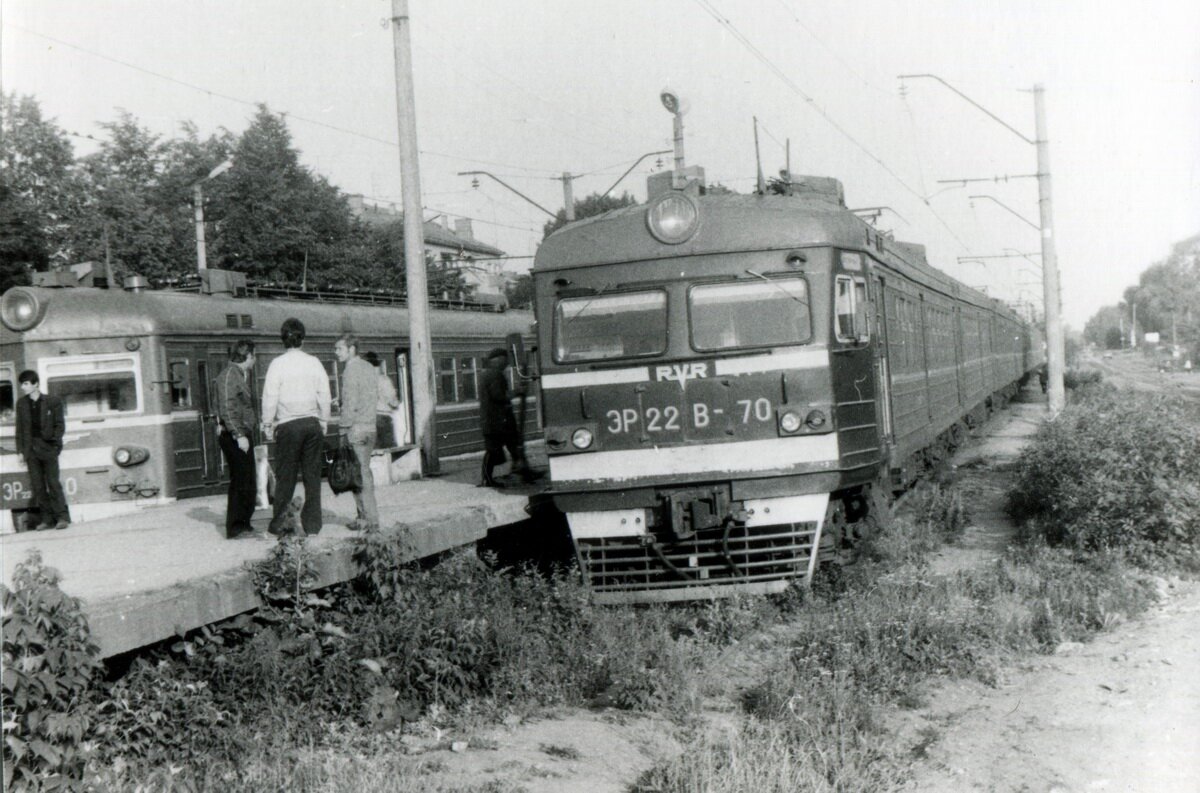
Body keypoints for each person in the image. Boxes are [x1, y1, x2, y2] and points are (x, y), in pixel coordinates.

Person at [261, 318, 331, 536]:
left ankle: (281, 524)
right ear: (303, 338)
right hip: (311, 424)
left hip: (288, 426)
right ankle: (312, 525)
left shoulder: (277, 364)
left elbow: (270, 397)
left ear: (283, 339)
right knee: (312, 477)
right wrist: (323, 420)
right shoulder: (314, 362)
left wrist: (267, 423)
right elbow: (325, 395)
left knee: (286, 477)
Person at [14, 370, 70, 530]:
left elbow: (60, 425)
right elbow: (19, 429)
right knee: (38, 486)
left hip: (48, 448)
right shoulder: (21, 403)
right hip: (30, 450)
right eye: (22, 384)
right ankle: (47, 520)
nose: (23, 387)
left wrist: (55, 444)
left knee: (53, 483)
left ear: (36, 384)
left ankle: (62, 518)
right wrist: (20, 451)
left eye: (25, 384)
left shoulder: (53, 401)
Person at [334, 334, 379, 530]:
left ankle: (369, 520)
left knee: (358, 475)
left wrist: (343, 428)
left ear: (351, 349)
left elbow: (351, 404)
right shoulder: (369, 367)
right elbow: (366, 396)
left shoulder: (350, 370)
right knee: (363, 472)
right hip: (370, 426)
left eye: (339, 349)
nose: (336, 354)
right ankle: (365, 517)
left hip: (356, 429)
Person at [215, 339, 258, 538]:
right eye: (253, 356)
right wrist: (239, 435)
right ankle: (236, 527)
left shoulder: (238, 375)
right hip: (235, 434)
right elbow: (228, 408)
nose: (255, 360)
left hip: (241, 432)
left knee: (248, 479)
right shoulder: (230, 376)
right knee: (241, 480)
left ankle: (244, 523)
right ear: (248, 356)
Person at [479, 347, 533, 487]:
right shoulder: (495, 375)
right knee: (495, 451)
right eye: (505, 360)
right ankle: (487, 479)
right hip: (498, 422)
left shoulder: (487, 374)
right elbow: (499, 396)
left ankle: (524, 472)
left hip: (495, 421)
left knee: (513, 447)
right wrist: (517, 391)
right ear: (497, 360)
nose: (507, 363)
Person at [363, 351, 401, 447]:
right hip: (382, 417)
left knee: (373, 448)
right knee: (388, 447)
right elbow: (392, 400)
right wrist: (397, 405)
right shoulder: (383, 380)